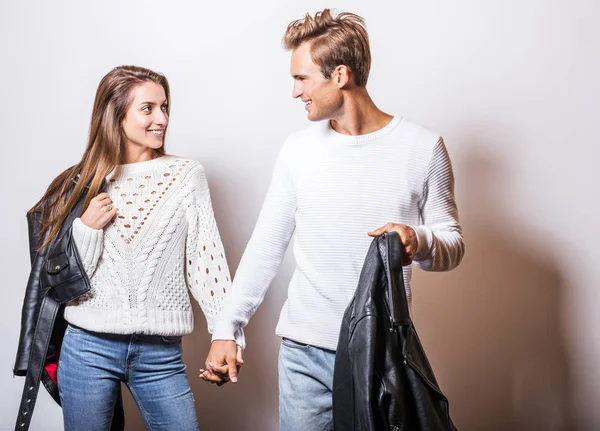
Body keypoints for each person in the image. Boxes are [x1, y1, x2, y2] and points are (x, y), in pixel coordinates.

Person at [201, 9, 465, 431]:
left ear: (339, 75)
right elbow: (267, 246)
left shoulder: (422, 148)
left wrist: (417, 239)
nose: (294, 92)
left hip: (382, 353)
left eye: (302, 78)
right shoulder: (298, 150)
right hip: (305, 354)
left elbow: (452, 243)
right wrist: (227, 328)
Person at [19, 65, 244, 431]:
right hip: (87, 348)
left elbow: (207, 263)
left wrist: (226, 334)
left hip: (160, 353)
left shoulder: (186, 175)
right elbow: (63, 284)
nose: (162, 119)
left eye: (165, 107)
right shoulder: (80, 184)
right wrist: (87, 230)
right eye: (148, 108)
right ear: (116, 114)